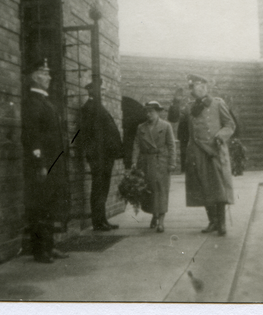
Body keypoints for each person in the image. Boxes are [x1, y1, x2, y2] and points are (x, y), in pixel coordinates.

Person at [21, 60, 70, 263]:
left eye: (49, 73)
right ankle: (40, 251)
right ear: (33, 76)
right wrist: (39, 164)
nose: (48, 77)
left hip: (53, 163)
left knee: (50, 206)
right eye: (43, 73)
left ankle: (50, 246)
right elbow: (33, 137)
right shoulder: (33, 102)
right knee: (40, 206)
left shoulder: (46, 102)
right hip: (43, 165)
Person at [181, 74, 236, 236]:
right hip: (197, 152)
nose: (198, 89)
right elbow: (174, 118)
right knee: (204, 186)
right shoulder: (190, 107)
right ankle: (212, 221)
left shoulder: (217, 104)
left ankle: (222, 223)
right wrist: (175, 103)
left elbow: (230, 125)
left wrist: (221, 136)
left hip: (214, 150)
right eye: (194, 87)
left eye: (200, 86)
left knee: (218, 186)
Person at [78, 80, 124, 231]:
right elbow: (87, 134)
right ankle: (97, 222)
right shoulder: (89, 108)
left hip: (105, 156)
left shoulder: (97, 107)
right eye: (101, 90)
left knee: (103, 188)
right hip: (99, 157)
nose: (103, 92)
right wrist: (93, 155)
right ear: (93, 91)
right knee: (98, 188)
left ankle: (102, 219)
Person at [131, 101, 176, 233]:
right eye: (146, 112)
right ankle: (154, 215)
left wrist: (172, 163)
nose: (148, 114)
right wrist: (134, 161)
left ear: (158, 112)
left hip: (160, 161)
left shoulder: (166, 126)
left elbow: (172, 145)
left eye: (151, 111)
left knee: (161, 191)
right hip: (145, 162)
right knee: (150, 191)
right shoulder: (141, 127)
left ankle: (161, 221)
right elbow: (137, 145)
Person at [168, 88, 189, 172]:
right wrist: (175, 102)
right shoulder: (179, 104)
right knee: (184, 153)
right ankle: (184, 171)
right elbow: (173, 118)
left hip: (196, 134)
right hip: (185, 133)